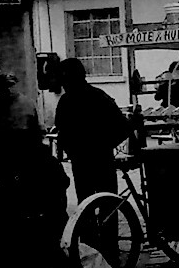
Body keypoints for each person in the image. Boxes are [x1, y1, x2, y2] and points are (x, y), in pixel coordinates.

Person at [54, 58, 130, 202]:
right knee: (108, 205)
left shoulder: (65, 102)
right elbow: (123, 127)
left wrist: (72, 151)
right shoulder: (99, 96)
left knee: (86, 207)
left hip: (82, 162)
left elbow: (61, 133)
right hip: (102, 159)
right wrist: (105, 145)